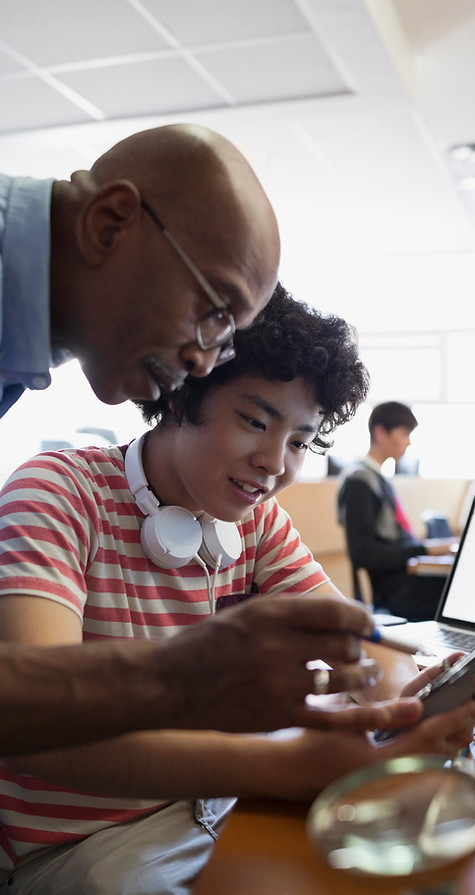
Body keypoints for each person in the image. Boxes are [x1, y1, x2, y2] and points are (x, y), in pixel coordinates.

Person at [0, 288, 475, 894]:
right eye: (255, 422)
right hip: (84, 844)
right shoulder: (56, 493)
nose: (275, 464)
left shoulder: (251, 518)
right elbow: (39, 730)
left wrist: (410, 703)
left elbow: (353, 638)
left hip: (222, 803)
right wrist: (283, 769)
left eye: (300, 442)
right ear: (180, 393)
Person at [0, 124, 382, 753]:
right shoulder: (60, 491)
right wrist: (191, 681)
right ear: (109, 223)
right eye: (214, 308)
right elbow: (34, 726)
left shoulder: (16, 361)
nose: (204, 362)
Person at [338, 401, 453, 620]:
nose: (408, 442)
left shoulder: (378, 479)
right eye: (404, 433)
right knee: (457, 589)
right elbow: (363, 552)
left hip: (406, 579)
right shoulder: (359, 482)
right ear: (381, 432)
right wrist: (425, 550)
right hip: (396, 592)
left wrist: (427, 548)